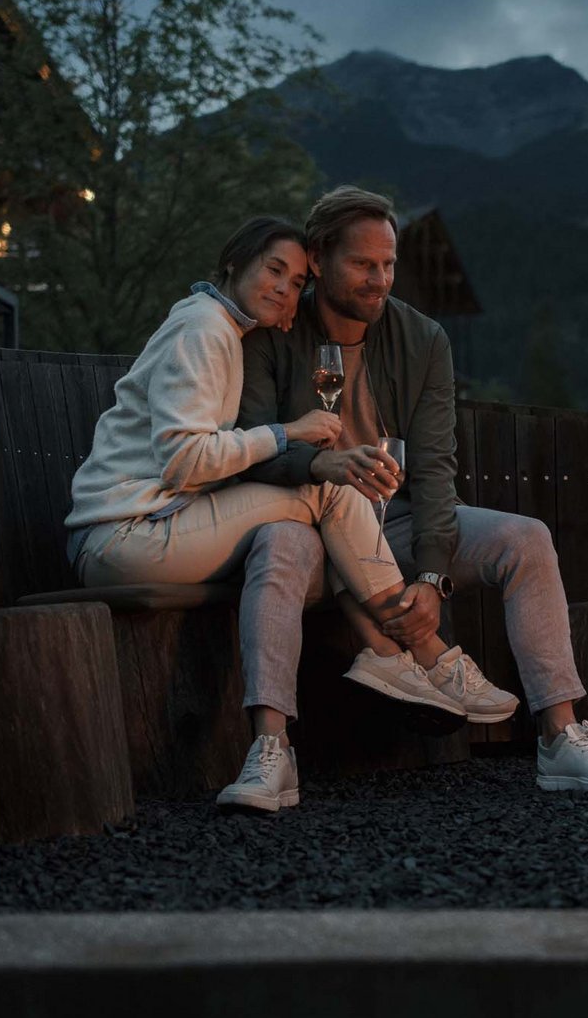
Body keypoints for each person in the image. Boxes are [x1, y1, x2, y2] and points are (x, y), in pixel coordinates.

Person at [64, 215, 503, 815]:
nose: (284, 289)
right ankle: (427, 655)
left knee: (315, 503)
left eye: (297, 282)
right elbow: (183, 461)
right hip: (123, 536)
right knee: (332, 486)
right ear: (234, 264)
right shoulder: (202, 330)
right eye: (273, 271)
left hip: (158, 525)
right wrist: (285, 433)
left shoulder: (221, 326)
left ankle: (375, 671)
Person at [238, 185, 588, 793]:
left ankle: (562, 737)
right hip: (311, 524)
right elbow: (254, 444)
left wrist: (431, 577)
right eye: (363, 264)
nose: (380, 279)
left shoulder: (423, 339)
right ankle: (270, 752)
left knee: (525, 538)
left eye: (389, 263)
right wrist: (319, 468)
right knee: (277, 545)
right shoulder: (275, 332)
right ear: (319, 261)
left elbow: (432, 468)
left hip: (396, 521)